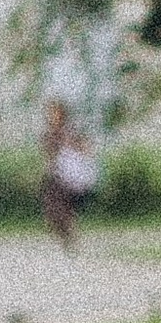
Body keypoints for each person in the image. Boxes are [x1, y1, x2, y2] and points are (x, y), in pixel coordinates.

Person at [40, 98, 98, 247]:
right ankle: (67, 235)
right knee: (52, 209)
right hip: (56, 175)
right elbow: (49, 155)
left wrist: (83, 154)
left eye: (56, 113)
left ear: (62, 114)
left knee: (61, 207)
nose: (53, 117)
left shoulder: (69, 131)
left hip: (71, 175)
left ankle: (69, 235)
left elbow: (84, 147)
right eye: (51, 114)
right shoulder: (50, 134)